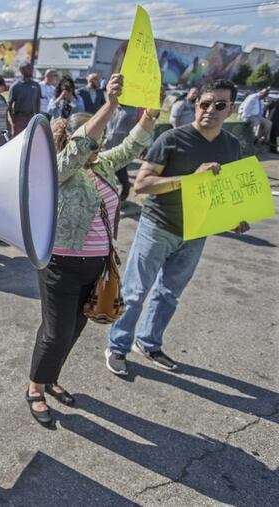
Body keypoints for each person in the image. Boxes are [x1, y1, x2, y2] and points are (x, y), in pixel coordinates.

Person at [26, 74, 157, 428]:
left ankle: (50, 378)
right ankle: (35, 387)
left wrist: (150, 115)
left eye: (99, 145)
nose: (96, 150)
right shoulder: (57, 169)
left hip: (96, 267)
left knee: (74, 331)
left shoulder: (100, 165)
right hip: (59, 265)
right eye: (92, 143)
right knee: (55, 332)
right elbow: (81, 147)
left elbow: (130, 147)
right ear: (73, 141)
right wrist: (111, 104)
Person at [106, 80, 250, 376]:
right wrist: (190, 179)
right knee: (135, 292)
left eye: (219, 105)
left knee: (169, 293)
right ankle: (117, 346)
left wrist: (234, 217)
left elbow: (225, 190)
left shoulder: (232, 146)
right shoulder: (171, 138)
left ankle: (148, 343)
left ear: (231, 110)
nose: (210, 109)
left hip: (196, 232)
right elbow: (142, 185)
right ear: (196, 104)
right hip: (157, 227)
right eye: (204, 103)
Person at [104, 105, 140, 201]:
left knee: (121, 171)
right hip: (107, 146)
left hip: (122, 148)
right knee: (106, 174)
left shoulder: (134, 110)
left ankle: (125, 191)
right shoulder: (111, 107)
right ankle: (110, 198)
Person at [8, 62, 42, 136]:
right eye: (28, 68)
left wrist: (38, 116)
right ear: (21, 71)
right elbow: (10, 104)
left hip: (32, 117)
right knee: (17, 139)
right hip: (19, 118)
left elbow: (38, 101)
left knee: (31, 139)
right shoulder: (15, 86)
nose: (31, 70)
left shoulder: (36, 85)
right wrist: (13, 118)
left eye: (31, 68)